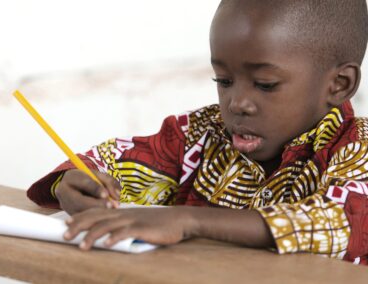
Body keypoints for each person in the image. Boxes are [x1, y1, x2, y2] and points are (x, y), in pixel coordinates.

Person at [27, 0, 368, 265]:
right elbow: (114, 161)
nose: (237, 103)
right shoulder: (199, 135)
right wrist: (77, 181)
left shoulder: (357, 148)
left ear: (339, 85)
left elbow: (341, 222)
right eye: (224, 80)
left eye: (265, 84)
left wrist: (190, 220)